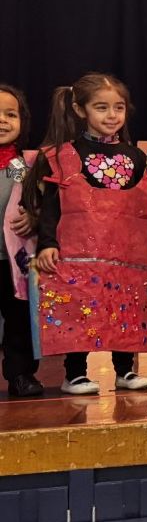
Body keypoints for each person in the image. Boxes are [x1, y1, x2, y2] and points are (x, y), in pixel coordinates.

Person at [25, 73, 147, 394]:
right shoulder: (63, 156)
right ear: (80, 110)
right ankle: (75, 374)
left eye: (118, 107)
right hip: (79, 255)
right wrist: (48, 243)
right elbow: (51, 205)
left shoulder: (138, 157)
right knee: (79, 308)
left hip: (129, 256)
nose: (112, 115)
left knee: (128, 307)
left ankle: (125, 370)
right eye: (101, 107)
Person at [0, 85, 43, 396]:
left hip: (13, 261)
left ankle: (21, 375)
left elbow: (42, 204)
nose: (3, 120)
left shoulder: (25, 166)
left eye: (10, 114)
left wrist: (34, 218)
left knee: (19, 321)